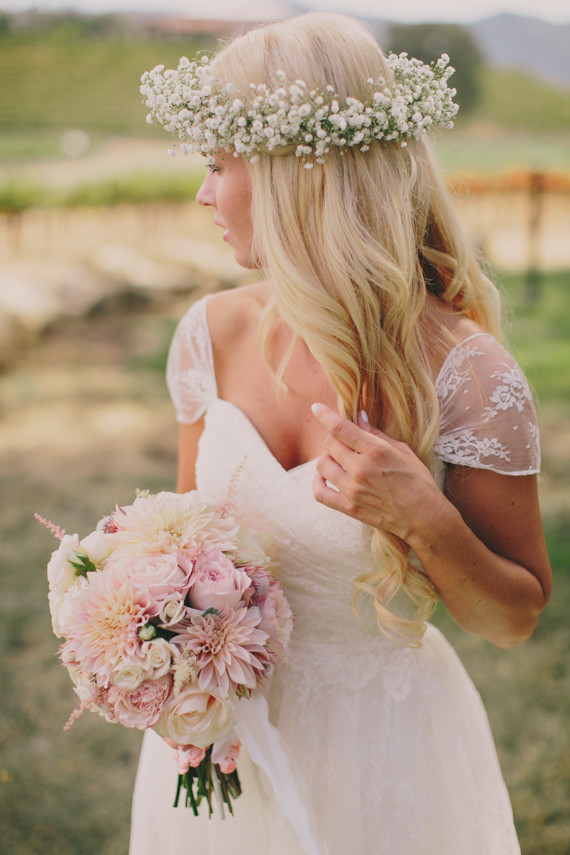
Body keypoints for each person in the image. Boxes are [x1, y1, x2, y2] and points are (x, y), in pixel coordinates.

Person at [131, 13, 552, 855]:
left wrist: (422, 516)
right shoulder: (206, 337)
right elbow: (178, 554)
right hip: (219, 743)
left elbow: (513, 617)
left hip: (381, 750)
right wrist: (130, 614)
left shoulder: (468, 373)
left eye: (219, 165)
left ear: (298, 176)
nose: (205, 194)